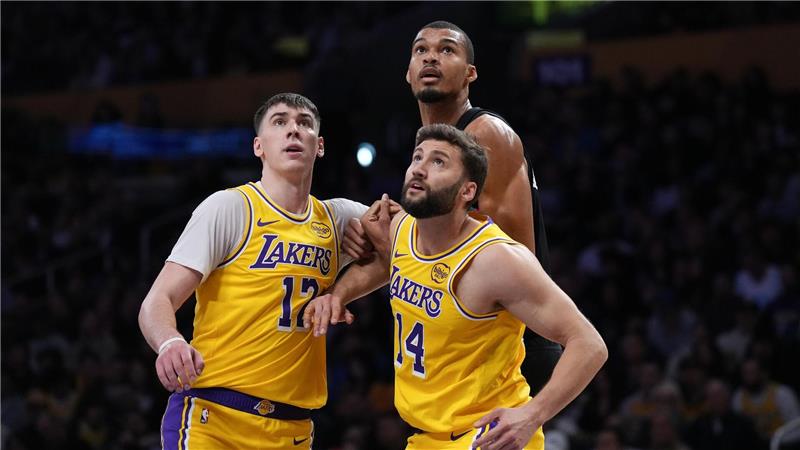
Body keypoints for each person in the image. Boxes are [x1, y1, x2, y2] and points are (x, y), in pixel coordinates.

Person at [307, 124, 607, 450]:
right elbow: (386, 266)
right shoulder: (402, 228)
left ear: (467, 191)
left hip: (486, 436)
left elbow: (589, 344)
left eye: (439, 162)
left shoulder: (496, 260)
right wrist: (337, 295)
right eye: (417, 157)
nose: (420, 168)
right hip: (425, 438)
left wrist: (533, 413)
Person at [138, 93, 369, 449]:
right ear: (258, 146)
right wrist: (169, 342)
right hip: (214, 420)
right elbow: (157, 300)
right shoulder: (230, 207)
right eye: (280, 122)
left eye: (304, 123)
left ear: (319, 145)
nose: (294, 129)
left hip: (293, 429)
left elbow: (415, 241)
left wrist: (343, 290)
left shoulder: (339, 218)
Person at [343, 20, 561, 395]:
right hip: (461, 339)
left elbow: (507, 254)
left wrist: (394, 235)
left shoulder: (485, 134)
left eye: (447, 50)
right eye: (420, 50)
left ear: (470, 73)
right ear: (408, 74)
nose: (431, 57)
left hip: (510, 342)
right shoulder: (429, 150)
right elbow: (418, 251)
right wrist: (338, 294)